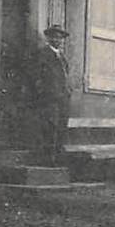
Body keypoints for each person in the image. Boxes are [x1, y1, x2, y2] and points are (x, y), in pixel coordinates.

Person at [29, 25, 71, 160]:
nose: (57, 40)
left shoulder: (62, 57)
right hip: (49, 98)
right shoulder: (43, 54)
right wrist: (44, 92)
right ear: (49, 38)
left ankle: (57, 157)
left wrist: (67, 91)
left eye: (60, 38)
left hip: (63, 98)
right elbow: (36, 76)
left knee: (61, 127)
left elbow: (65, 75)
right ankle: (48, 159)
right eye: (55, 37)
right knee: (49, 127)